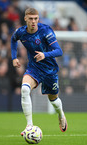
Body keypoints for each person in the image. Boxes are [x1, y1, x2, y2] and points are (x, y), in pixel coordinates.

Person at [11, 7, 68, 136]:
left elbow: (59, 51)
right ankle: (29, 126)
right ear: (25, 19)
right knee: (25, 89)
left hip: (49, 69)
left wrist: (45, 54)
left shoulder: (45, 31)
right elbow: (13, 40)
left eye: (36, 19)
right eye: (30, 19)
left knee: (53, 99)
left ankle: (61, 114)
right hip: (34, 68)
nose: (33, 22)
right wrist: (14, 58)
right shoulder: (21, 32)